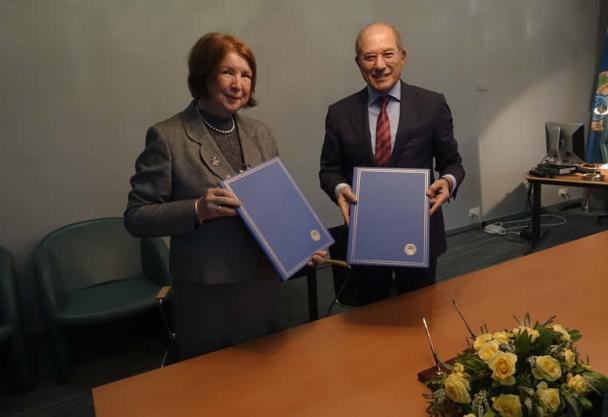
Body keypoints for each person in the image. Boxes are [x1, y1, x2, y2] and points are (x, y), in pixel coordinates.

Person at [125, 32, 325, 360]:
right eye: (227, 72)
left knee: (271, 378)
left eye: (246, 75)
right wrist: (196, 209)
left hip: (263, 285)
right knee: (214, 389)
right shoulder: (168, 136)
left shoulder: (260, 132)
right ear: (204, 75)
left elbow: (278, 204)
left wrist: (302, 247)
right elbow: (136, 216)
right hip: (208, 294)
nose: (238, 84)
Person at [319, 23, 464, 306]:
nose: (379, 65)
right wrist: (339, 189)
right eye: (369, 57)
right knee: (370, 322)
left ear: (403, 55)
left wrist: (447, 182)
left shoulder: (432, 105)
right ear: (358, 62)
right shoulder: (339, 113)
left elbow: (453, 164)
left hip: (419, 232)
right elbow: (329, 170)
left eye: (388, 54)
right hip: (366, 236)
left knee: (419, 314)